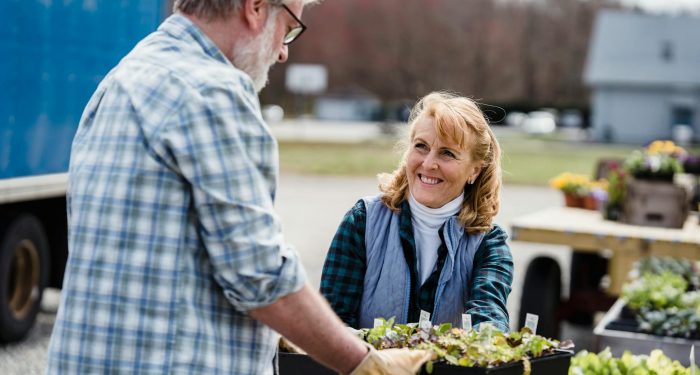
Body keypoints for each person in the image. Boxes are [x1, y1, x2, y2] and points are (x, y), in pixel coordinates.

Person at [46, 1, 432, 373]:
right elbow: (261, 278)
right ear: (256, 7)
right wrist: (363, 362)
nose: (283, 52)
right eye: (289, 28)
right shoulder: (211, 91)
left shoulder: (122, 78)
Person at [321, 92, 514, 332]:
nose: (429, 163)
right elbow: (331, 323)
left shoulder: (489, 243)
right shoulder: (362, 220)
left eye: (447, 153)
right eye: (421, 147)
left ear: (474, 171)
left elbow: (489, 319)